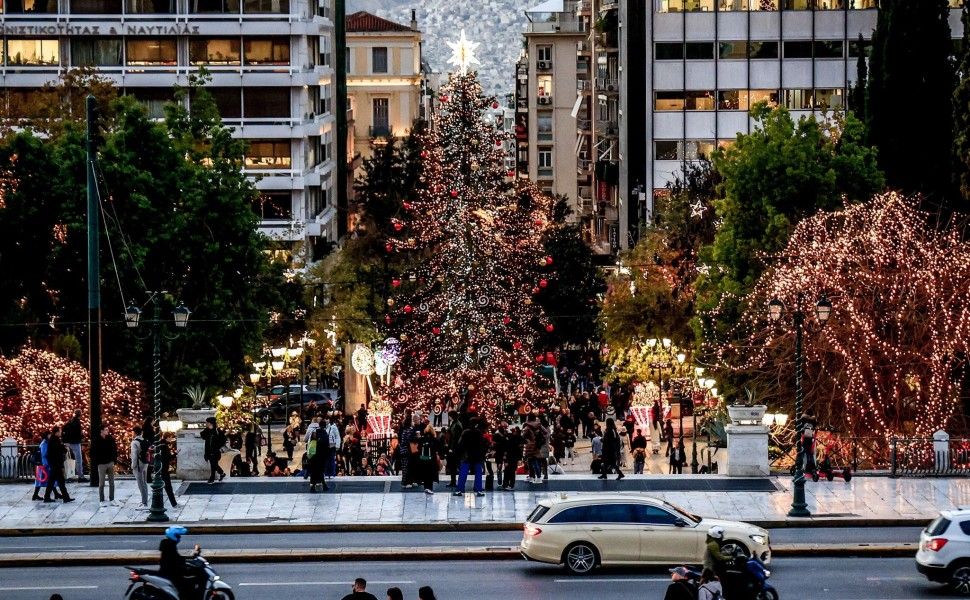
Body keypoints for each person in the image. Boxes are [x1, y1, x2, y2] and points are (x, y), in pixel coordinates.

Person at [453, 418, 487, 497]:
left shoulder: (465, 432)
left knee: (463, 473)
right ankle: (478, 490)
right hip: (477, 456)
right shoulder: (479, 433)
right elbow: (482, 445)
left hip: (466, 456)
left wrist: (460, 454)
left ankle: (460, 490)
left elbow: (460, 444)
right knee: (478, 473)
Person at [159, 526, 194, 598]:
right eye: (178, 536)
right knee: (186, 583)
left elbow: (176, 557)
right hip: (170, 571)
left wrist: (187, 560)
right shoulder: (169, 545)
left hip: (170, 569)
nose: (179, 538)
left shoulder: (168, 544)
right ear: (173, 535)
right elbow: (174, 559)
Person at [43, 426, 73, 503]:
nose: (61, 433)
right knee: (59, 481)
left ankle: (64, 497)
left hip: (54, 464)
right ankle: (65, 497)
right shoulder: (54, 440)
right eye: (60, 431)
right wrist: (65, 448)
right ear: (56, 432)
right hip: (56, 464)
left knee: (54, 481)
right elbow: (59, 449)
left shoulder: (53, 439)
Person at [92, 424, 118, 507]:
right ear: (101, 431)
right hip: (101, 464)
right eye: (106, 430)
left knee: (112, 483)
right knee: (101, 483)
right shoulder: (96, 440)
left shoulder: (110, 439)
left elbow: (114, 449)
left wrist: (114, 460)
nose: (107, 431)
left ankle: (112, 499)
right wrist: (97, 462)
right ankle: (101, 500)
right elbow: (93, 452)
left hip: (110, 462)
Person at [200, 417, 226, 484]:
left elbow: (223, 439)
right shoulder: (207, 430)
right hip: (208, 450)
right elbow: (202, 435)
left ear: (210, 423)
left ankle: (212, 478)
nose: (206, 424)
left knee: (213, 464)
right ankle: (222, 473)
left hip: (215, 451)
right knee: (214, 464)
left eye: (207, 422)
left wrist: (218, 446)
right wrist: (207, 430)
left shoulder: (217, 431)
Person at [62, 409, 85, 482]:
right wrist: (82, 437)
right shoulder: (77, 422)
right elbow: (77, 434)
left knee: (67, 459)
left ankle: (67, 475)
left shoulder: (70, 421)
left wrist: (65, 441)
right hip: (75, 442)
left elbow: (63, 429)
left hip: (68, 443)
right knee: (79, 460)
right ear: (80, 414)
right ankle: (80, 476)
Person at [157, 433, 178, 507]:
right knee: (168, 488)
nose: (171, 439)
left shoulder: (159, 445)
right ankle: (174, 503)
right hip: (164, 470)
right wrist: (175, 454)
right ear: (167, 437)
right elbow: (168, 458)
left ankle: (161, 503)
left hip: (160, 470)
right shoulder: (164, 446)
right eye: (170, 438)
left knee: (162, 488)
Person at [131, 426, 150, 509]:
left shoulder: (134, 442)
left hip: (139, 464)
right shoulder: (145, 440)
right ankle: (145, 500)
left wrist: (133, 465)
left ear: (134, 433)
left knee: (140, 483)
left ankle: (144, 502)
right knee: (144, 482)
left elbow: (134, 455)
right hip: (145, 463)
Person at [502, 425, 523, 490]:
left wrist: (505, 460)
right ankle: (510, 485)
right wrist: (520, 458)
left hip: (509, 457)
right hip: (514, 457)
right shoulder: (517, 438)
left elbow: (505, 450)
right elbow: (519, 449)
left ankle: (506, 484)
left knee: (507, 471)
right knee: (512, 471)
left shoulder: (507, 439)